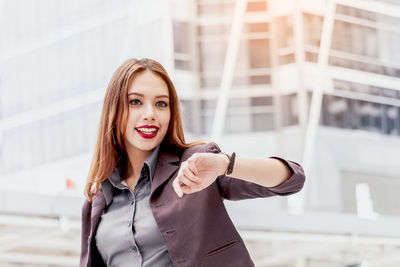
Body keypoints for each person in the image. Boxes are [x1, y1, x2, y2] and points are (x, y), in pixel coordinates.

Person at [80, 58, 305, 267]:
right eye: (135, 102)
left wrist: (225, 164)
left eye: (161, 104)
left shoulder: (197, 165)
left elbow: (293, 179)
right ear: (114, 109)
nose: (150, 114)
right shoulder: (97, 199)